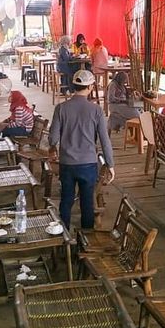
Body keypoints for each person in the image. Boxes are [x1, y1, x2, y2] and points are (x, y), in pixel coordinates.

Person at [49, 70, 115, 230]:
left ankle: (63, 238)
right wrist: (110, 164)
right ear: (90, 87)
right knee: (87, 204)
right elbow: (105, 141)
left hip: (67, 164)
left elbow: (53, 139)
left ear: (74, 85)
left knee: (66, 201)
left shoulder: (61, 108)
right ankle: (85, 239)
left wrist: (53, 148)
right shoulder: (96, 110)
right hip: (88, 164)